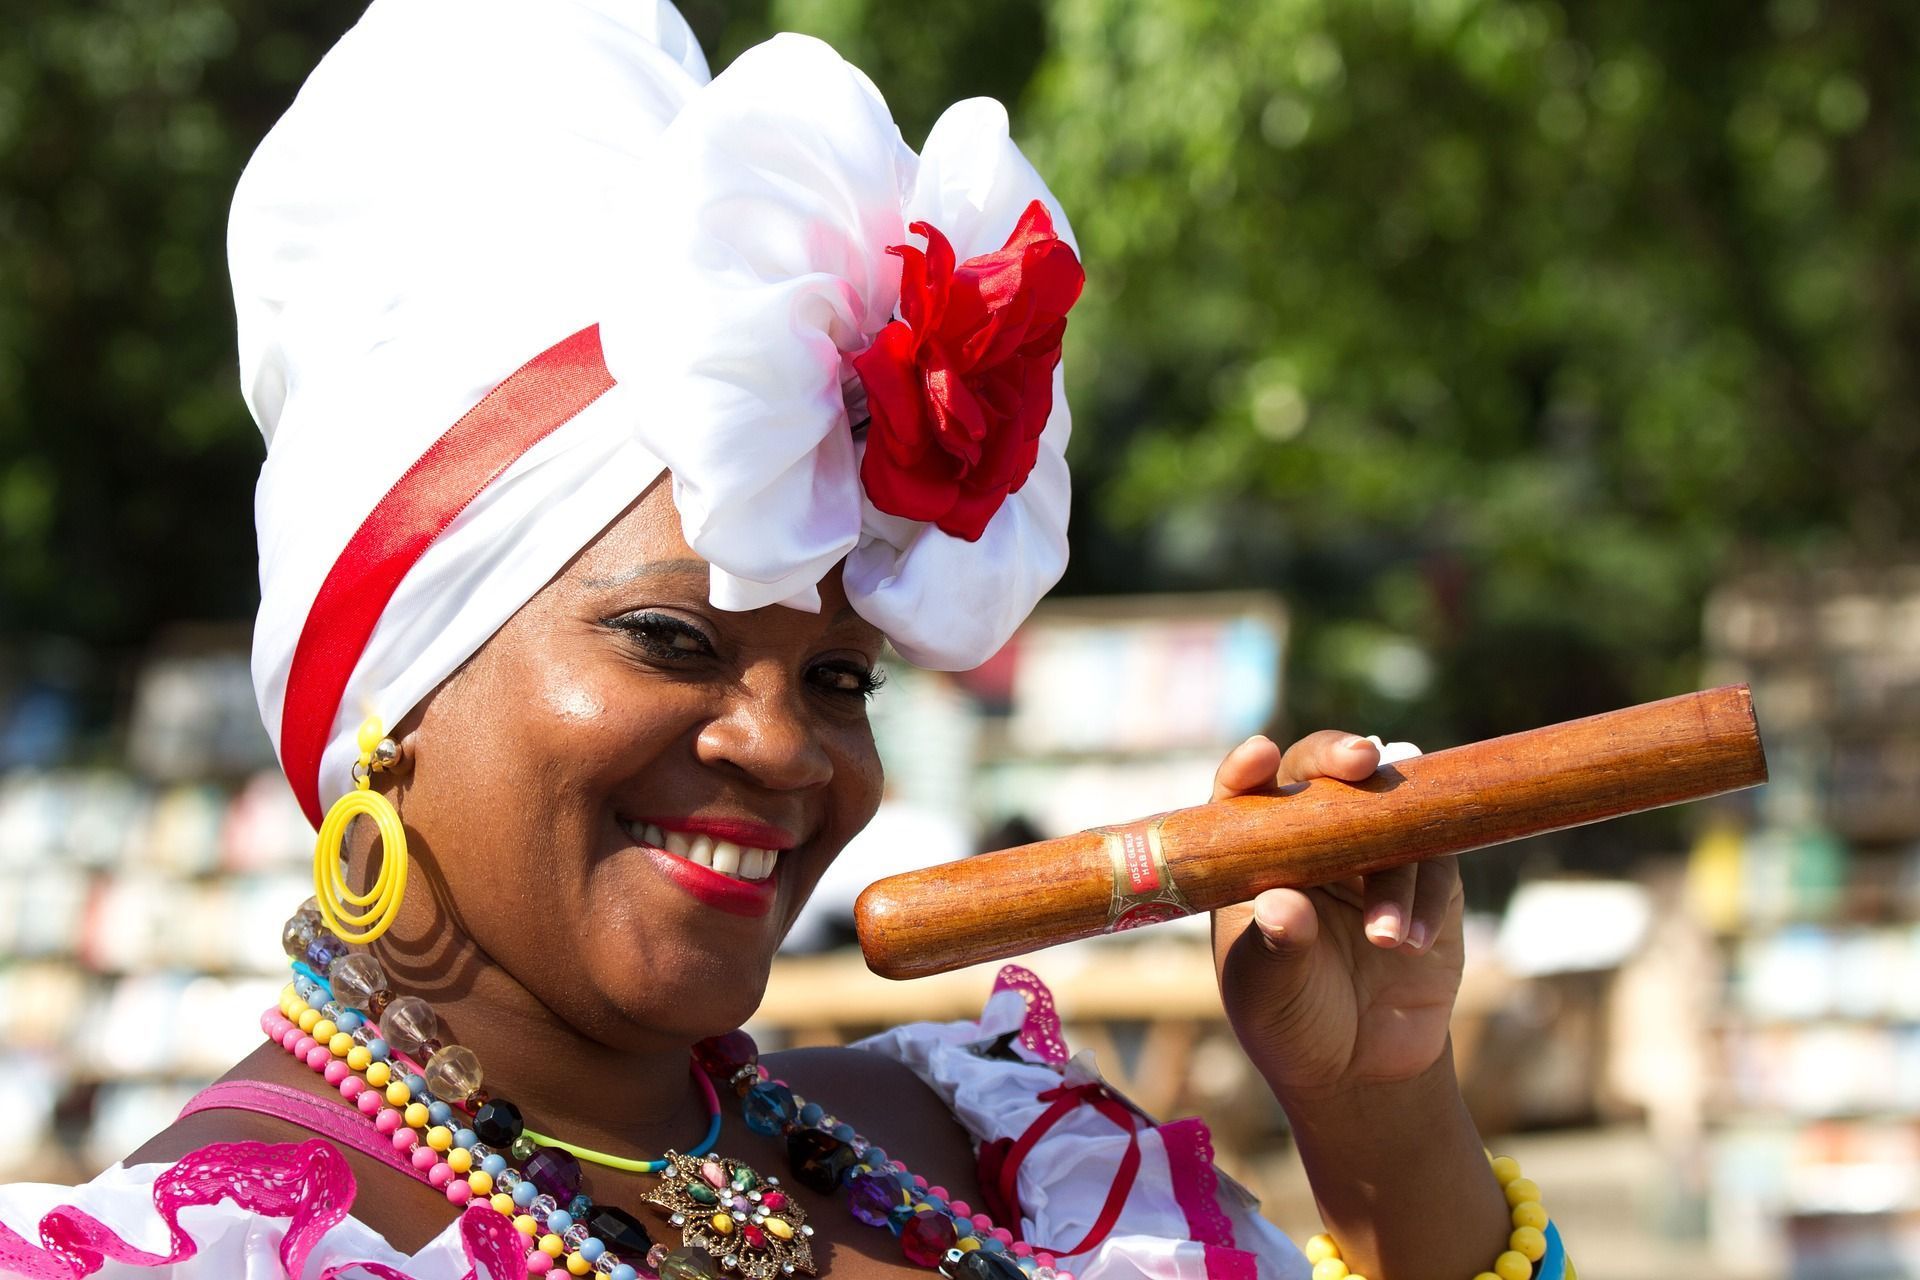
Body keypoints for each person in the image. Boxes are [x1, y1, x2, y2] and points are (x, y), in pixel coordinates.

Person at [0, 3, 1570, 1279]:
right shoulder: (213, 1251)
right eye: (673, 638)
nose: (784, 744)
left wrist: (1376, 1112)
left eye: (836, 674)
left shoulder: (964, 1143)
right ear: (388, 702)